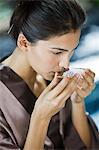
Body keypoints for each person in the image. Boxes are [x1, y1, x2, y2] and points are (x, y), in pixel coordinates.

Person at [0, 0, 99, 149]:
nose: (66, 64)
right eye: (57, 52)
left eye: (71, 52)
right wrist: (41, 117)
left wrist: (78, 101)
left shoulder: (55, 78)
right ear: (24, 43)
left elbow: (87, 147)